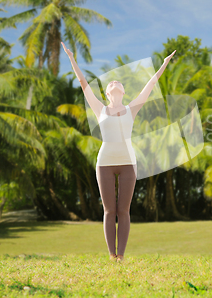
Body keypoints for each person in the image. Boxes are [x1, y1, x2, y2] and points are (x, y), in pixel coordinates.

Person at [62, 42, 175, 262]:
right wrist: (71, 58)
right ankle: (111, 255)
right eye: (111, 82)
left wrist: (163, 65)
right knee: (108, 211)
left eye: (118, 82)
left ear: (122, 91)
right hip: (104, 162)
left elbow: (151, 84)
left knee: (123, 210)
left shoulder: (131, 109)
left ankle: (121, 255)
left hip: (127, 163)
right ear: (107, 93)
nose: (115, 82)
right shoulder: (100, 109)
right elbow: (83, 82)